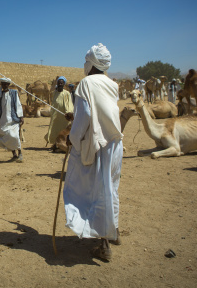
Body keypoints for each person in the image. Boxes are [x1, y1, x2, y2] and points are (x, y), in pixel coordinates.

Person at [63, 43, 123, 261]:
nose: (84, 65)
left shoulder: (86, 83)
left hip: (97, 145)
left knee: (95, 191)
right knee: (110, 188)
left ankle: (104, 244)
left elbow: (85, 116)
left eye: (86, 61)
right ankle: (113, 231)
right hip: (114, 144)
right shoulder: (111, 84)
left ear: (90, 63)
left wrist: (72, 138)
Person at [0, 77, 24, 162]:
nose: (4, 85)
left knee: (15, 136)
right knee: (6, 136)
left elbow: (18, 104)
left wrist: (21, 116)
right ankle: (14, 154)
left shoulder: (14, 93)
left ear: (8, 84)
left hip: (13, 119)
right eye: (2, 84)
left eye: (6, 84)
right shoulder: (0, 94)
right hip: (3, 119)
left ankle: (20, 152)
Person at [44, 76, 74, 151]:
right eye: (59, 82)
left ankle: (62, 144)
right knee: (55, 129)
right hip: (55, 115)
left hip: (63, 115)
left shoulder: (66, 93)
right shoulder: (54, 93)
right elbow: (52, 102)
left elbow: (69, 104)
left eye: (62, 83)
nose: (60, 84)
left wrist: (68, 112)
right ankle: (55, 144)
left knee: (63, 129)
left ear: (64, 84)